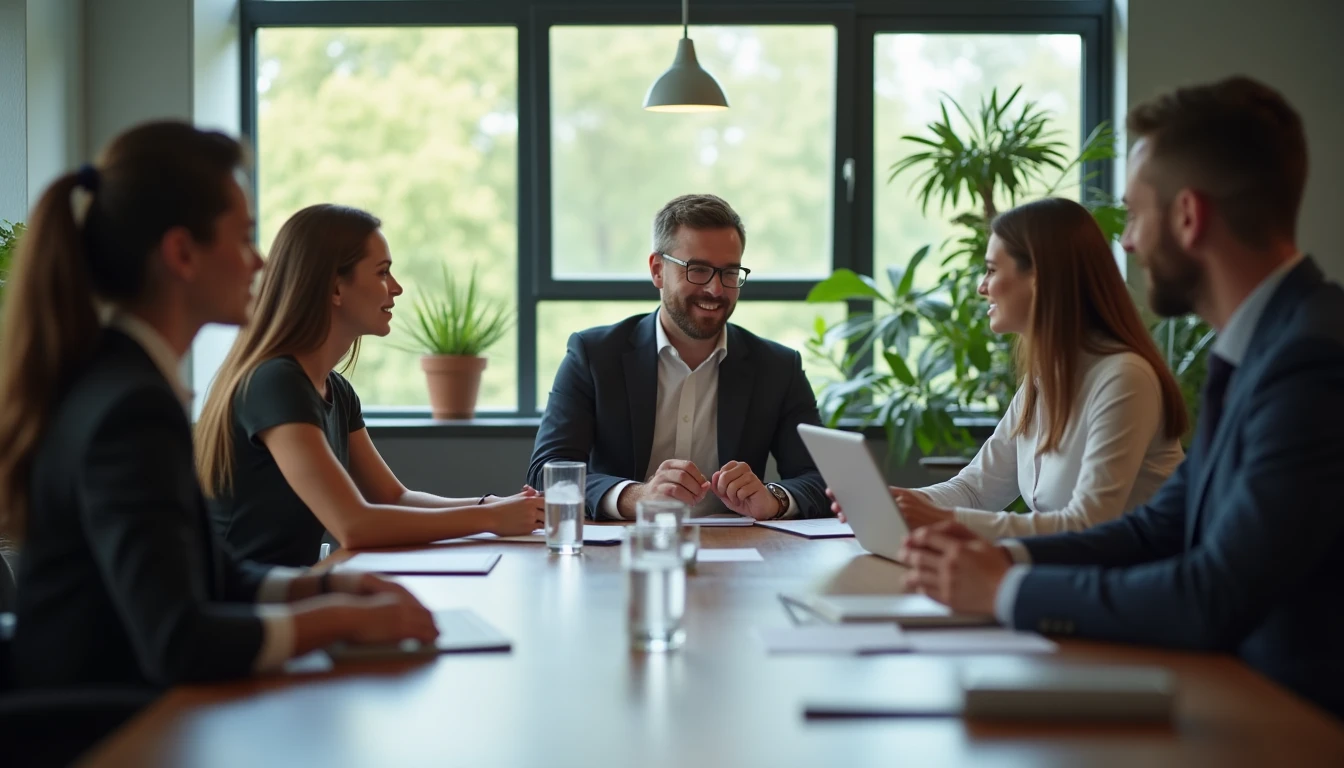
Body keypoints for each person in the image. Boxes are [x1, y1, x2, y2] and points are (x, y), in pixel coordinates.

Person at [897, 77, 1344, 720]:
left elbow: (1211, 593)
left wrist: (1008, 589)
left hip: (1291, 721)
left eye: (1135, 214)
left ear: (1189, 217)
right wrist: (999, 558)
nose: (1126, 242)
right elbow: (1158, 528)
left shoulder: (1310, 360)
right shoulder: (1259, 347)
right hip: (1238, 692)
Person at [0, 122, 439, 693]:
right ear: (182, 253)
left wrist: (326, 590)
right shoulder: (129, 408)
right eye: (243, 239)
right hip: (103, 734)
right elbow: (178, 640)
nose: (259, 263)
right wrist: (337, 620)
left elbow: (214, 577)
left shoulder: (128, 381)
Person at [196, 204, 544, 568]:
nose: (396, 288)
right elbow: (354, 525)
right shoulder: (275, 383)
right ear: (334, 287)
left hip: (290, 593)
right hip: (247, 608)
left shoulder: (337, 391)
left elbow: (393, 497)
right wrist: (489, 520)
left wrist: (491, 506)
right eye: (383, 273)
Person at [836, 197, 1187, 539]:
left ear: (1039, 278)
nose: (981, 287)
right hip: (1076, 580)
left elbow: (1089, 524)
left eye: (991, 270)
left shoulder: (1124, 378)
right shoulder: (1044, 380)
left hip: (1132, 588)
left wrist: (942, 518)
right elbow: (977, 489)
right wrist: (899, 502)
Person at [528, 194, 828, 520]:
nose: (715, 290)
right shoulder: (594, 356)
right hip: (623, 550)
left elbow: (821, 480)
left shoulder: (778, 367)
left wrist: (773, 500)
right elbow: (548, 473)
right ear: (658, 270)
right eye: (698, 270)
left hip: (739, 552)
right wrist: (636, 497)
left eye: (729, 273)